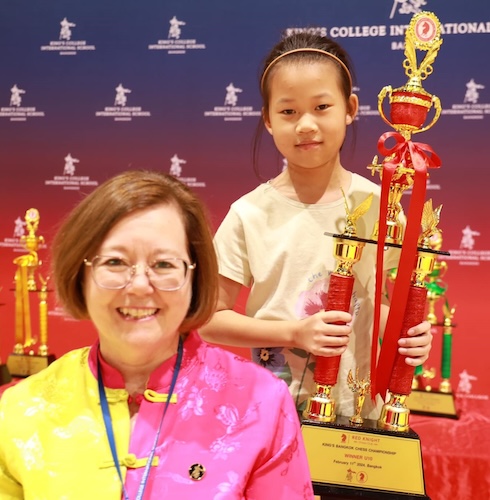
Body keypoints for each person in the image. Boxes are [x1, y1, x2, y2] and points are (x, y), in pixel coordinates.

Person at [0, 170, 314, 499]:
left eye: (163, 265)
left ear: (195, 278)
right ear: (81, 276)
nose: (138, 285)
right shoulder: (21, 409)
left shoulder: (260, 403)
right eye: (115, 262)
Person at [200, 32, 433, 419]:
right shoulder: (249, 213)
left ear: (350, 108)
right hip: (273, 412)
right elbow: (210, 319)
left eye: (322, 106)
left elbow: (382, 301)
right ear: (268, 120)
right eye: (288, 112)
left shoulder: (380, 205)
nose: (306, 125)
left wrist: (410, 336)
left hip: (359, 412)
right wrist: (293, 333)